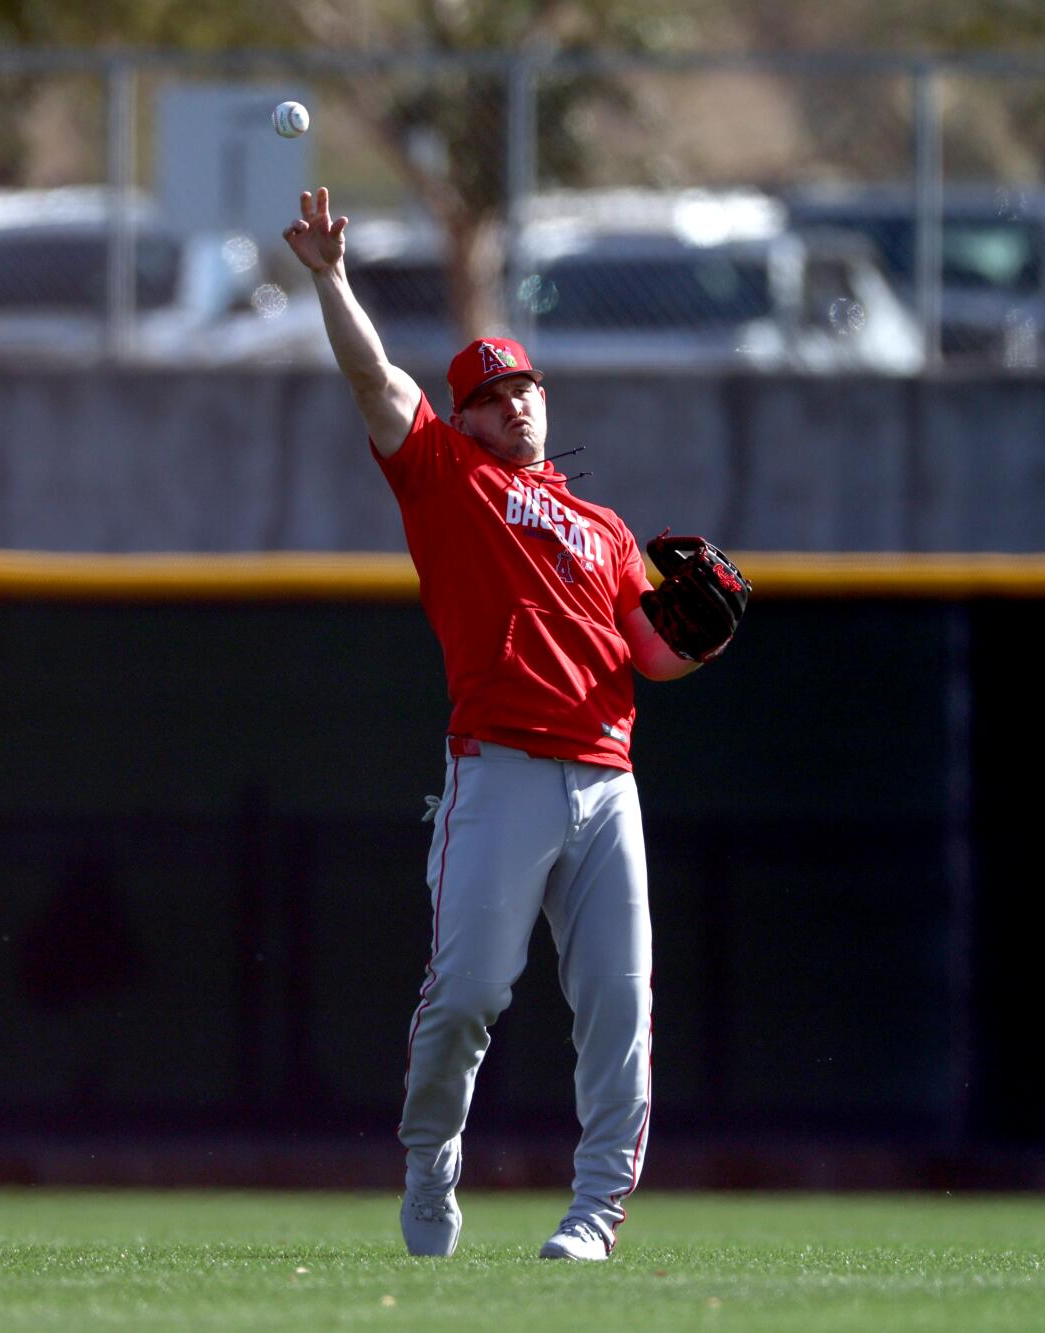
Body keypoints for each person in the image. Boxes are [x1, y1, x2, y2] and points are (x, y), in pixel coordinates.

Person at [282, 186, 739, 1262]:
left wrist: (709, 641)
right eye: (492, 395)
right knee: (468, 996)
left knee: (619, 1005)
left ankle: (592, 1214)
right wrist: (330, 278)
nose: (515, 405)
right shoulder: (447, 477)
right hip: (499, 773)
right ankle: (430, 1160)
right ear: (467, 415)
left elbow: (650, 657)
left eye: (524, 387)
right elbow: (371, 378)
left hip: (605, 780)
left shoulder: (605, 527)